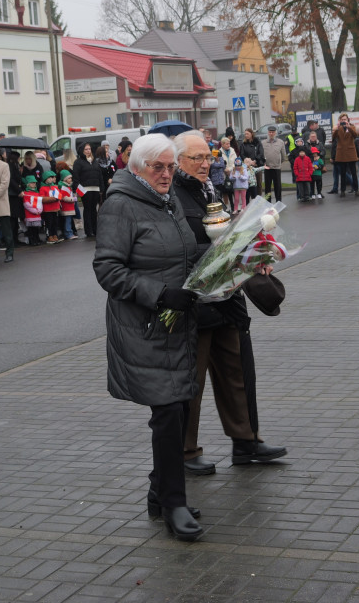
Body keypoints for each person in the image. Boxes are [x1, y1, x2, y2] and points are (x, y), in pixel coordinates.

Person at [93, 133, 204, 542]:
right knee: (168, 413)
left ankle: (161, 494)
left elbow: (181, 252)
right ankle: (174, 503)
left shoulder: (168, 199)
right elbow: (107, 269)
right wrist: (158, 294)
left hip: (177, 322)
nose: (167, 174)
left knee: (178, 408)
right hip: (144, 325)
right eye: (158, 167)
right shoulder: (120, 204)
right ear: (136, 167)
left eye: (171, 166)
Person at [172, 132, 287, 477]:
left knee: (236, 373)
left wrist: (252, 253)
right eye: (197, 158)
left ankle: (246, 441)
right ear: (178, 161)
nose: (206, 164)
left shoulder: (209, 190)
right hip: (196, 301)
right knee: (192, 382)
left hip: (226, 298)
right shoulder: (173, 197)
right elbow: (175, 248)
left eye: (208, 157)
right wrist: (217, 258)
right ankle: (185, 451)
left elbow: (225, 233)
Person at [72, 143, 102, 239]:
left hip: (95, 189)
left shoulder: (95, 162)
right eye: (86, 149)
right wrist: (80, 192)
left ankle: (95, 229)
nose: (88, 151)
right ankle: (88, 231)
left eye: (89, 149)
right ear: (82, 150)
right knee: (87, 209)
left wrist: (101, 188)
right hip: (85, 190)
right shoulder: (78, 162)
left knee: (94, 209)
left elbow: (100, 176)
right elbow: (76, 178)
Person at [331, 113, 359, 196]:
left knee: (353, 173)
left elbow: (355, 135)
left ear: (348, 120)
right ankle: (343, 191)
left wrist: (349, 127)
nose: (344, 121)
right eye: (342, 120)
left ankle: (356, 189)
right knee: (342, 173)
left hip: (350, 153)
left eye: (345, 119)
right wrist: (336, 129)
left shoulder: (352, 127)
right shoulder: (338, 128)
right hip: (341, 153)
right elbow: (333, 138)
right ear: (340, 120)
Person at [260, 126, 285, 202]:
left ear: (275, 133)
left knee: (277, 186)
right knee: (267, 187)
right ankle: (268, 202)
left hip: (277, 167)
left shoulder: (280, 142)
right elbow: (261, 155)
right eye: (270, 132)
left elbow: (283, 155)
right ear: (268, 133)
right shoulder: (263, 142)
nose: (271, 133)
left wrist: (278, 162)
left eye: (273, 132)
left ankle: (278, 201)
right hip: (267, 168)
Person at [39, 172, 62, 243]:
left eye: (51, 178)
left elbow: (60, 195)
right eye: (49, 178)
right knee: (49, 223)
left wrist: (57, 198)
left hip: (55, 208)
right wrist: (52, 199)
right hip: (47, 209)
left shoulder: (54, 187)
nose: (51, 179)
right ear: (45, 179)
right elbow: (42, 198)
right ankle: (49, 236)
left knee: (55, 223)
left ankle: (55, 234)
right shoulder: (42, 188)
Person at [21, 175, 43, 245]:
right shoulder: (26, 194)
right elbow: (26, 204)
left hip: (37, 214)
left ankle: (37, 239)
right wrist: (34, 210)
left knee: (36, 229)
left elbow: (40, 202)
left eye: (34, 183)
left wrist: (40, 210)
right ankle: (32, 240)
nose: (34, 184)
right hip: (30, 214)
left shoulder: (37, 193)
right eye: (32, 183)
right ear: (28, 184)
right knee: (31, 229)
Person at [58, 170, 78, 240]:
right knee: (68, 221)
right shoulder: (64, 187)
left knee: (68, 221)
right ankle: (68, 233)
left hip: (69, 207)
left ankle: (69, 233)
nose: (71, 179)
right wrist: (73, 199)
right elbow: (64, 198)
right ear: (65, 179)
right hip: (66, 207)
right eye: (69, 178)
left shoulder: (67, 187)